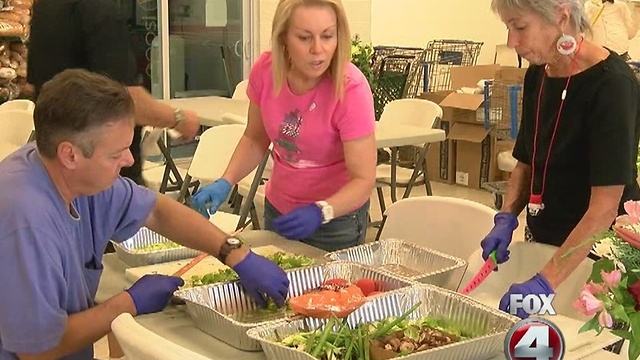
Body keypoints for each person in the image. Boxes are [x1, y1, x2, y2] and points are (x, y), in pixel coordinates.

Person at [0, 69, 289, 360]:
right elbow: (36, 351)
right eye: (117, 154)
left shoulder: (72, 175)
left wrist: (232, 252)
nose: (128, 160)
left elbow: (158, 211)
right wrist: (127, 303)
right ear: (70, 154)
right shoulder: (26, 221)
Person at [482, 0, 640, 319]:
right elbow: (526, 160)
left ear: (561, 16)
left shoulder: (613, 85)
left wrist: (545, 281)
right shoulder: (539, 74)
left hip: (601, 253)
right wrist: (506, 216)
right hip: (547, 239)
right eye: (508, 28)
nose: (512, 41)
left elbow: (604, 208)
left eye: (520, 27)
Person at [190, 0, 376, 252]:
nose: (318, 49)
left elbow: (363, 180)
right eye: (304, 37)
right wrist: (227, 180)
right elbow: (256, 139)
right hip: (280, 209)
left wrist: (321, 210)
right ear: (284, 37)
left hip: (335, 221)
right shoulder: (266, 72)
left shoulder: (350, 88)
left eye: (327, 36)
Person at [27, 0, 201, 186]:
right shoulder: (99, 9)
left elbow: (33, 86)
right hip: (104, 174)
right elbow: (126, 100)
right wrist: (179, 119)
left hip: (60, 171)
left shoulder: (45, 6)